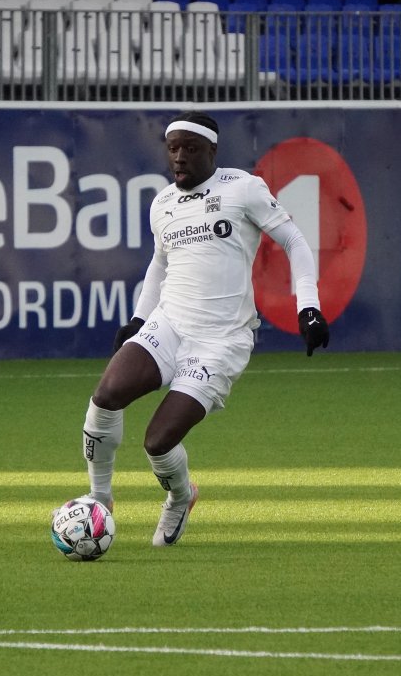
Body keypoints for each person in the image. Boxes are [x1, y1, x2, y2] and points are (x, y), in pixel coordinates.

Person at [81, 111, 330, 547]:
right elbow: (160, 264)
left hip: (221, 341)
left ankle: (181, 495)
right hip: (169, 324)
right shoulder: (163, 203)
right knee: (106, 396)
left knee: (157, 442)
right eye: (172, 147)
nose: (179, 157)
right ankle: (99, 501)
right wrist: (139, 320)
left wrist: (308, 307)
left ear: (212, 150)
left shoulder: (244, 189)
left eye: (190, 148)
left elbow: (294, 241)